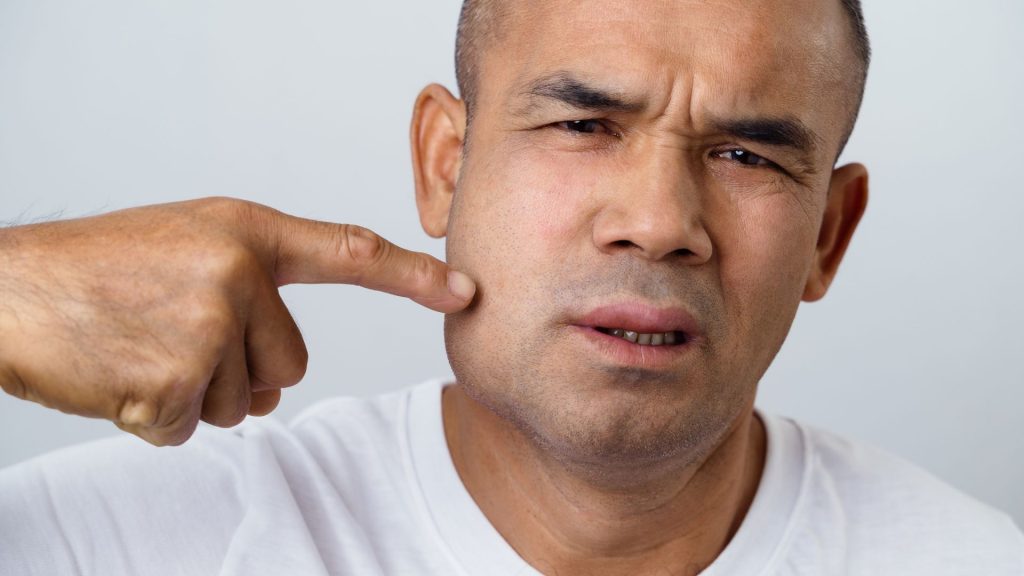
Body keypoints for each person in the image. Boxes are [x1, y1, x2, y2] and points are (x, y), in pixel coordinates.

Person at [0, 0, 1021, 574]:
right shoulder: (111, 545)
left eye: (747, 155)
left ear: (827, 237)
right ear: (446, 164)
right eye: (582, 125)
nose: (660, 222)